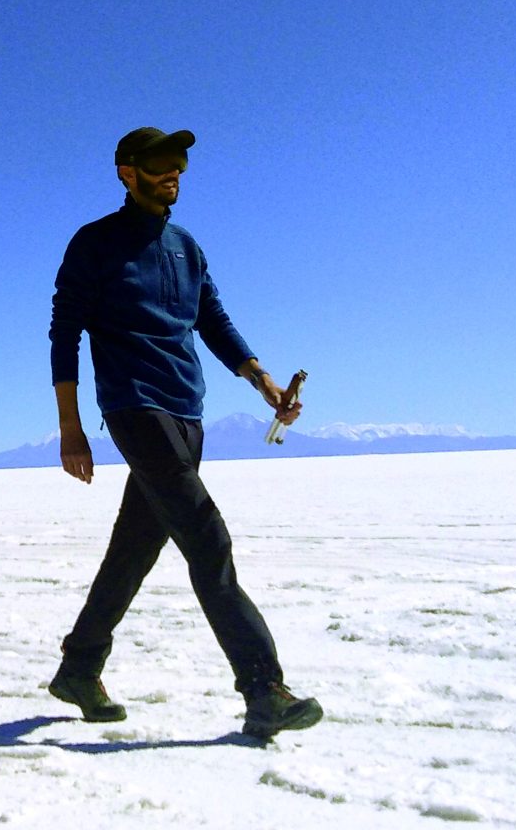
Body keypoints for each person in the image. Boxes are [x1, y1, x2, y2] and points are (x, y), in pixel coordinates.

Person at [45, 126, 324, 738]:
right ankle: (262, 687)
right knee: (207, 539)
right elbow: (64, 332)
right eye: (161, 165)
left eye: (180, 165)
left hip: (186, 411)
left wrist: (264, 383)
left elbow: (212, 320)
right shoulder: (95, 244)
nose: (174, 173)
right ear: (127, 171)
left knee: (134, 550)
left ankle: (79, 667)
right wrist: (71, 426)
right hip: (134, 407)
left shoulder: (185, 246)